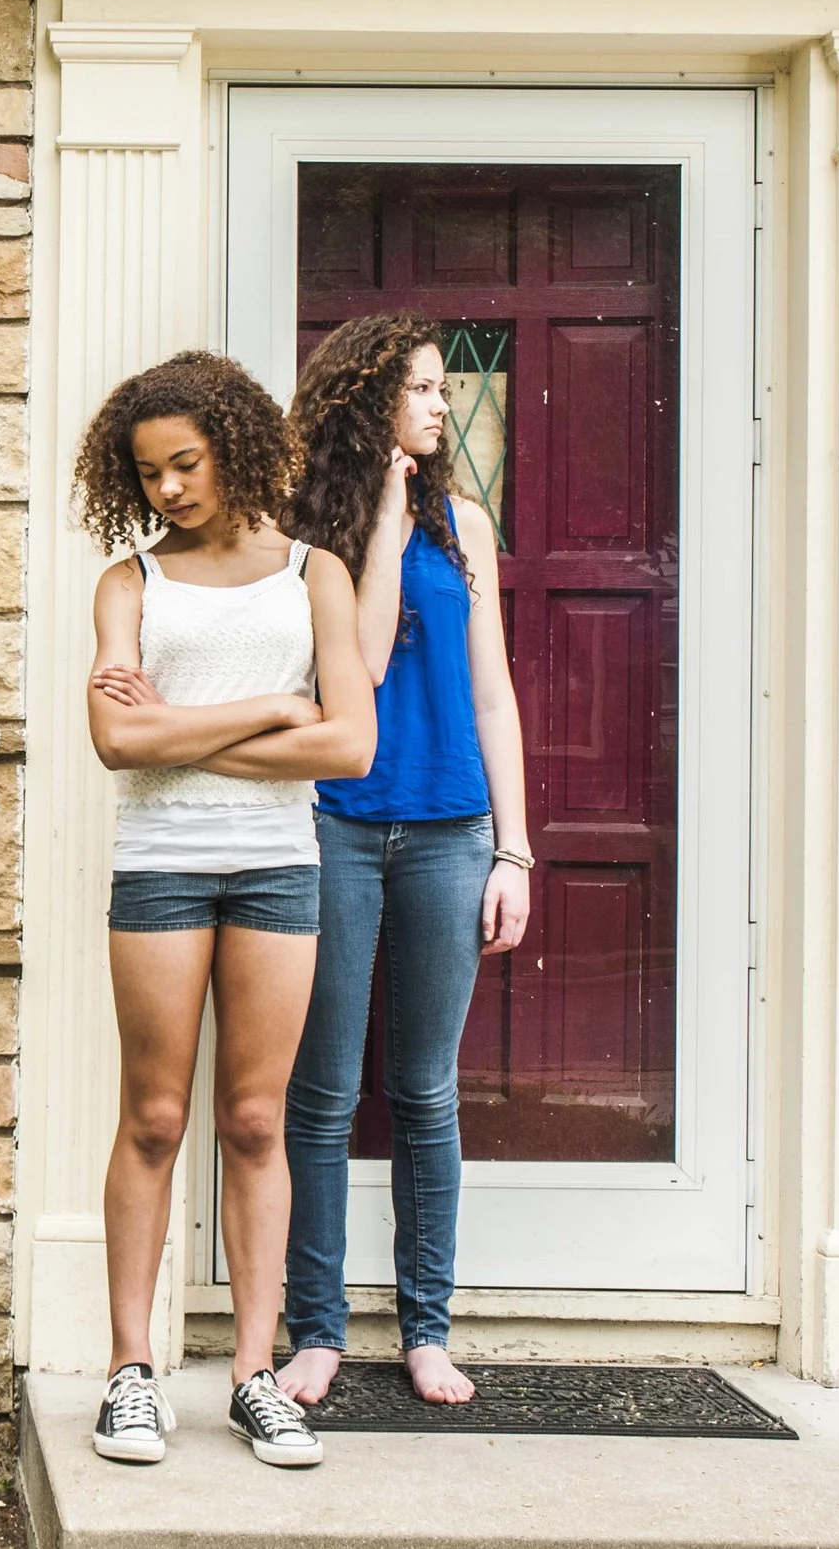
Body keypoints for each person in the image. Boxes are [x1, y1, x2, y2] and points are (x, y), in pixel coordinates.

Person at [77, 351, 376, 1469]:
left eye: (185, 464)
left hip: (275, 869)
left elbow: (348, 744)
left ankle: (256, 1376)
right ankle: (129, 1375)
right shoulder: (128, 583)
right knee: (154, 1117)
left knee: (255, 1120)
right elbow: (117, 741)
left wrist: (186, 728)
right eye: (148, 472)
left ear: (235, 447)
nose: (167, 489)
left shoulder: (314, 573)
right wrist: (264, 708)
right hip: (160, 867)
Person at [274, 313, 534, 1409]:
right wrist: (382, 512)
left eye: (441, 389)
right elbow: (366, 661)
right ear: (367, 398)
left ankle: (426, 1328)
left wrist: (513, 847)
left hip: (446, 827)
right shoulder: (299, 535)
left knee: (426, 1089)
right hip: (331, 823)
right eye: (421, 389)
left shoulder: (466, 526)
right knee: (322, 1092)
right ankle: (317, 1331)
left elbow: (490, 693)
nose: (440, 405)